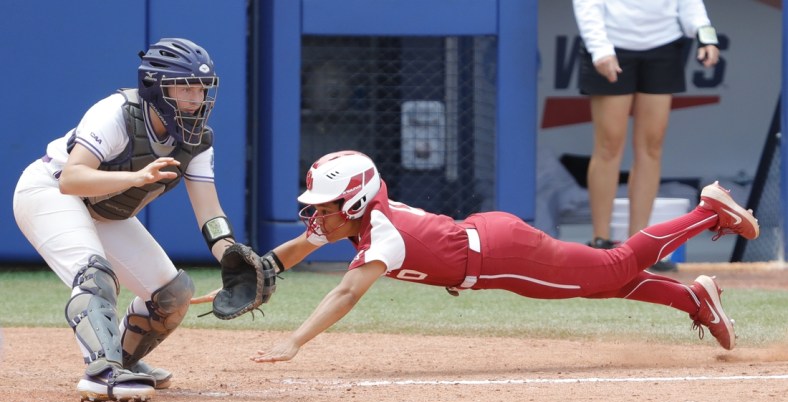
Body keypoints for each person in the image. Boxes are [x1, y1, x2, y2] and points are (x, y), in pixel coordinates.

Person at [246, 150, 757, 364]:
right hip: (493, 249)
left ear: (354, 200)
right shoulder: (360, 217)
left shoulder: (381, 234)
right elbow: (304, 246)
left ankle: (709, 212)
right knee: (598, 280)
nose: (318, 217)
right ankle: (695, 302)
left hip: (501, 256)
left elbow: (345, 292)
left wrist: (294, 341)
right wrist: (267, 267)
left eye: (325, 206)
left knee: (614, 267)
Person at [13, 38, 239, 402]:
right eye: (185, 88)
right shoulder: (116, 112)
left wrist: (231, 256)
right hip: (50, 191)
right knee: (95, 275)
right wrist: (135, 179)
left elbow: (210, 212)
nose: (196, 98)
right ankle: (102, 372)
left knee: (172, 295)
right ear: (155, 87)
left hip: (105, 209)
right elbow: (72, 179)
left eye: (201, 88)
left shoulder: (196, 140)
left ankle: (123, 360)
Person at [572, 0, 721, 271]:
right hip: (611, 45)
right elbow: (587, 5)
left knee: (651, 147)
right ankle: (600, 243)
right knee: (609, 146)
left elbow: (690, 5)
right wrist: (600, 49)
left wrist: (705, 35)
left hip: (664, 46)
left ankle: (639, 246)